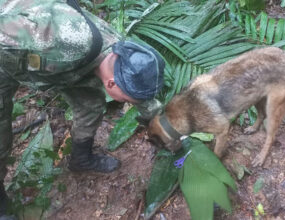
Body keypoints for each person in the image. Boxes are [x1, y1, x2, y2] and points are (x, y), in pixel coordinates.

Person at [0, 1, 165, 219]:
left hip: (60, 67)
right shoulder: (63, 42)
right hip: (6, 58)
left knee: (91, 105)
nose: (131, 103)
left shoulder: (121, 55)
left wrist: (165, 124)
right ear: (112, 85)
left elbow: (141, 98)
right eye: (127, 100)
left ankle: (81, 159)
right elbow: (7, 28)